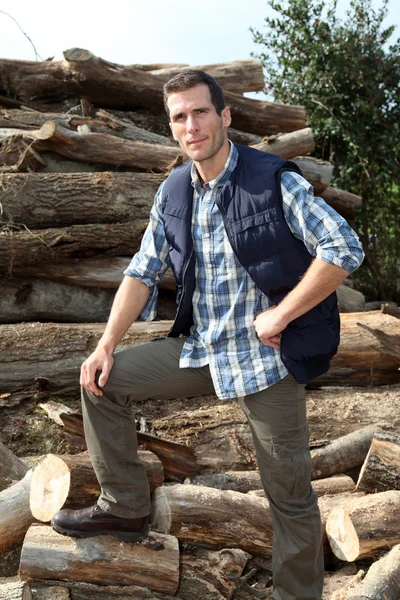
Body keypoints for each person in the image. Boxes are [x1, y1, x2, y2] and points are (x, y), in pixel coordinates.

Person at [52, 70, 364, 600]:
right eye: (179, 117)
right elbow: (141, 270)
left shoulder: (272, 179)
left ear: (225, 117)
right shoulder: (174, 191)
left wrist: (282, 315)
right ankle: (125, 506)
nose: (191, 125)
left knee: (288, 494)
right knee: (101, 381)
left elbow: (343, 248)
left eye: (200, 112)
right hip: (202, 350)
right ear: (171, 128)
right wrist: (104, 345)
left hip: (268, 360)